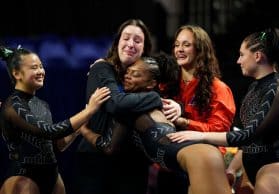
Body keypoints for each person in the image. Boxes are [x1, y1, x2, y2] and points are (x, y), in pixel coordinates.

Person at [80, 53, 233, 194]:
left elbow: (109, 147)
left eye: (136, 74)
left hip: (198, 158)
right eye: (128, 72)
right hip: (198, 157)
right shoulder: (160, 102)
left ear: (151, 83)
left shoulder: (136, 106)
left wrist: (84, 130)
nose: (128, 76)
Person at [168, 27, 279, 194]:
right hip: (257, 169)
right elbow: (250, 142)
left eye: (242, 55)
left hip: (275, 171)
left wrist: (199, 134)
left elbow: (247, 135)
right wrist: (232, 170)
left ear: (257, 56)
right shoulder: (256, 86)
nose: (238, 61)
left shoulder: (278, 90)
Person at [75, 19, 173, 194]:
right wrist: (155, 98)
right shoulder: (102, 68)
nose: (130, 44)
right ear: (117, 42)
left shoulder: (148, 76)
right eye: (126, 38)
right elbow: (116, 104)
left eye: (137, 41)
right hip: (97, 163)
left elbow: (168, 102)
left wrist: (176, 107)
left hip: (133, 165)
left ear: (144, 48)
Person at [0, 45, 111, 194]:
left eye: (41, 66)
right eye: (34, 68)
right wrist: (88, 110)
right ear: (17, 73)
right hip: (24, 176)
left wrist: (80, 127)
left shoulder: (42, 104)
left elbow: (57, 145)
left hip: (52, 175)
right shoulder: (12, 106)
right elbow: (49, 132)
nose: (40, 71)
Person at [156, 24, 237, 194]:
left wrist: (184, 122)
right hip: (169, 166)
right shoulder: (165, 85)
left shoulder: (218, 88)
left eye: (186, 45)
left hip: (204, 166)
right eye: (177, 45)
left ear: (200, 50)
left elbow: (220, 130)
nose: (179, 49)